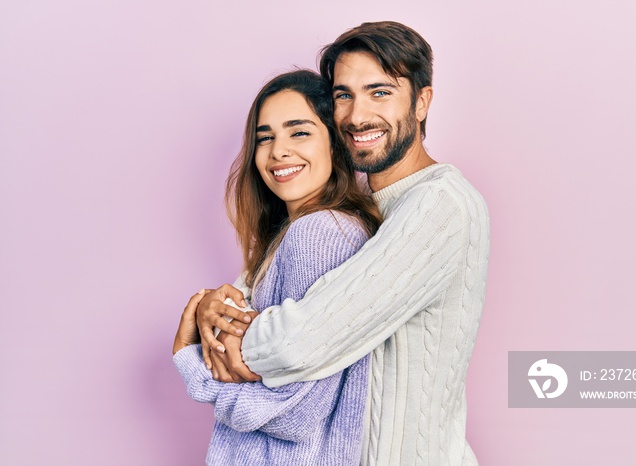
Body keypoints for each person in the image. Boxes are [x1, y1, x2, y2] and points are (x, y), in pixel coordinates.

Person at [197, 21, 490, 465]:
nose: (356, 116)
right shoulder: (358, 208)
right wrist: (210, 306)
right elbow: (258, 295)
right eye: (343, 95)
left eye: (380, 92)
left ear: (422, 101)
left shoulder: (440, 204)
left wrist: (220, 345)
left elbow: (303, 340)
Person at [172, 70, 382, 465]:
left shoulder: (319, 233)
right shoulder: (293, 234)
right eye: (265, 137)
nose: (278, 151)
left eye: (298, 132)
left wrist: (192, 363)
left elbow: (298, 412)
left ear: (337, 146)